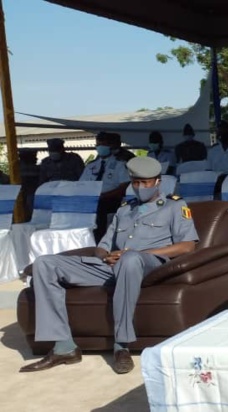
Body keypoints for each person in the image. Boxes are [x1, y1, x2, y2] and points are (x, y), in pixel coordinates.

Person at [20, 156, 198, 375]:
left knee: (130, 259)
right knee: (44, 263)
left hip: (149, 266)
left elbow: (188, 246)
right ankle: (64, 346)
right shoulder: (124, 210)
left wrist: (138, 253)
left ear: (158, 181)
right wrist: (105, 256)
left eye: (146, 182)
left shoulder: (175, 206)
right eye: (136, 183)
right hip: (112, 265)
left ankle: (121, 345)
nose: (140, 187)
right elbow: (102, 245)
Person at [80, 132, 131, 240]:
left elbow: (124, 186)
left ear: (110, 146)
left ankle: (99, 239)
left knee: (100, 208)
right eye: (98, 144)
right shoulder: (91, 165)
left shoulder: (120, 164)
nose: (100, 147)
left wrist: (104, 196)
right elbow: (81, 185)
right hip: (90, 199)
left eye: (103, 144)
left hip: (110, 199)